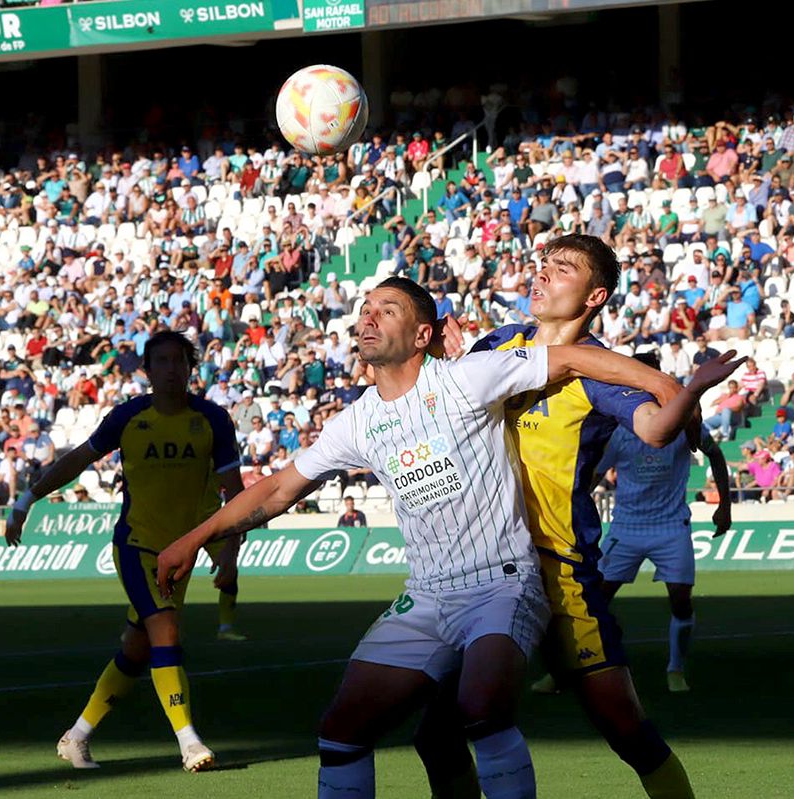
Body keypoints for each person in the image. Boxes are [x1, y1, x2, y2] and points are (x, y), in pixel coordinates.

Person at [156, 276, 714, 799]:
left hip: (504, 584)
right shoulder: (356, 422)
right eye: (366, 310)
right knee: (342, 731)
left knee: (482, 707)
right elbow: (278, 489)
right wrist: (194, 537)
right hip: (425, 595)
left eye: (387, 310)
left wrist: (665, 385)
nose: (369, 319)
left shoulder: (467, 377)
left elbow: (571, 356)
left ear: (423, 334)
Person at [426, 235, 744, 799]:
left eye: (562, 269)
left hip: (560, 573)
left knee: (627, 731)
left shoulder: (600, 372)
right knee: (439, 731)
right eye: (541, 264)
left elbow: (653, 429)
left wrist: (690, 389)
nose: (542, 275)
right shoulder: (498, 342)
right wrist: (454, 366)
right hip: (484, 565)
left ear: (595, 295)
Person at [4, 331, 246, 773]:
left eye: (179, 361)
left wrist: (228, 556)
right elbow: (78, 460)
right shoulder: (128, 417)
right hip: (136, 545)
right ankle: (190, 743)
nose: (171, 369)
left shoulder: (213, 420)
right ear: (147, 370)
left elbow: (237, 495)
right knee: (166, 633)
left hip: (183, 552)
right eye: (162, 361)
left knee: (137, 650)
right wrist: (27, 499)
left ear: (191, 368)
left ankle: (75, 737)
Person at [595, 351, 733, 694]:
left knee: (681, 601)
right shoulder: (620, 429)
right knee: (594, 603)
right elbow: (592, 474)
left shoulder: (685, 424)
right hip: (626, 528)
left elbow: (715, 454)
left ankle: (675, 668)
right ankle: (577, 667)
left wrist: (725, 506)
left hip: (671, 528)